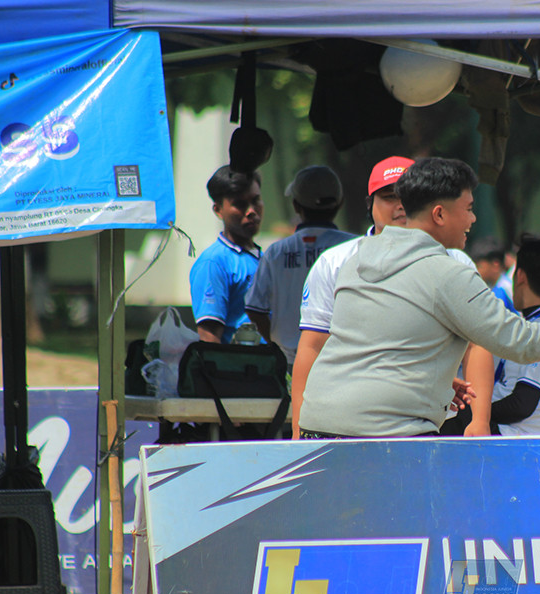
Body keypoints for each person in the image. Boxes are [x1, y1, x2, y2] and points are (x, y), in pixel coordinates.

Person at [297, 157, 540, 439]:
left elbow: (374, 344)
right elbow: (516, 339)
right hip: (385, 437)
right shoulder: (448, 272)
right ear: (439, 214)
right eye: (468, 207)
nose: (474, 218)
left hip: (320, 426)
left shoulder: (354, 259)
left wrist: (431, 377)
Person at [291, 156, 494, 438]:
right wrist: (298, 430)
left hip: (438, 419)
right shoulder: (337, 261)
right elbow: (313, 346)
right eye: (388, 197)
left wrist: (479, 420)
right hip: (349, 424)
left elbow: (477, 344)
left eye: (405, 196)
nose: (399, 205)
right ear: (369, 204)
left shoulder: (455, 261)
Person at [443, 235, 540, 435]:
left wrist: (476, 411)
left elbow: (522, 404)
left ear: (520, 276)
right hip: (505, 428)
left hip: (511, 435)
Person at [244, 165, 355, 365]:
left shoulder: (275, 252)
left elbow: (255, 308)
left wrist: (276, 343)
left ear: (296, 206)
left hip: (288, 362)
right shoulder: (355, 247)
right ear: (341, 203)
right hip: (341, 360)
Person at [189, 166, 264, 344]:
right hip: (241, 369)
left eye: (256, 200)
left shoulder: (265, 258)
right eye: (240, 204)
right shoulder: (214, 262)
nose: (251, 211)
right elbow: (209, 338)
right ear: (218, 210)